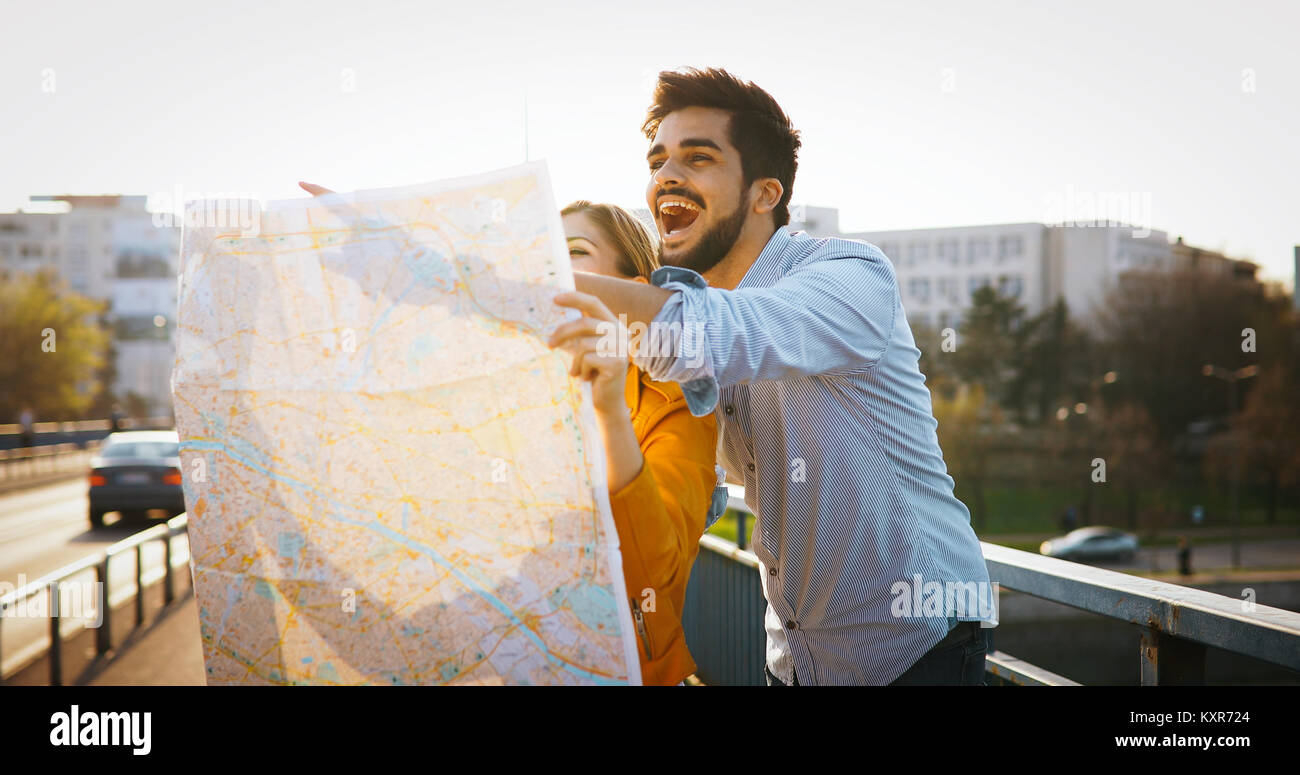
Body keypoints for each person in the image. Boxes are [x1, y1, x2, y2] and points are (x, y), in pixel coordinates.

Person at [553, 67, 996, 685]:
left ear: (765, 193)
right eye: (657, 161)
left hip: (918, 649)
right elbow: (688, 496)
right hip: (797, 662)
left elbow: (724, 329)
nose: (666, 177)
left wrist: (529, 278)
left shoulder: (850, 276)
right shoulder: (695, 320)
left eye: (698, 157)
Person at [554, 199, 723, 685]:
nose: (550, 270)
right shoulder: (506, 397)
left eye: (574, 252)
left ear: (625, 292)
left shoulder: (674, 403)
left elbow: (656, 576)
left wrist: (609, 414)